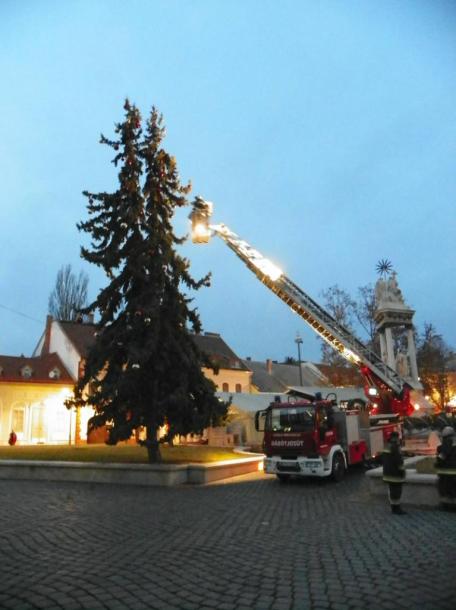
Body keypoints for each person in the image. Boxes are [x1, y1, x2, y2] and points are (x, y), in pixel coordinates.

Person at [382, 430, 407, 515]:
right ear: (396, 438)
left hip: (388, 473)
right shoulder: (395, 447)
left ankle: (393, 507)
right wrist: (402, 471)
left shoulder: (387, 446)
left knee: (392, 491)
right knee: (397, 492)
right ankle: (397, 508)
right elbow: (399, 461)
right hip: (395, 474)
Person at [435, 426, 456, 510]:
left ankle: (446, 506)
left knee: (445, 490)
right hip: (453, 471)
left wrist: (438, 462)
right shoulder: (454, 442)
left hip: (446, 472)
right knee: (453, 490)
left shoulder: (447, 442)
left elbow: (443, 455)